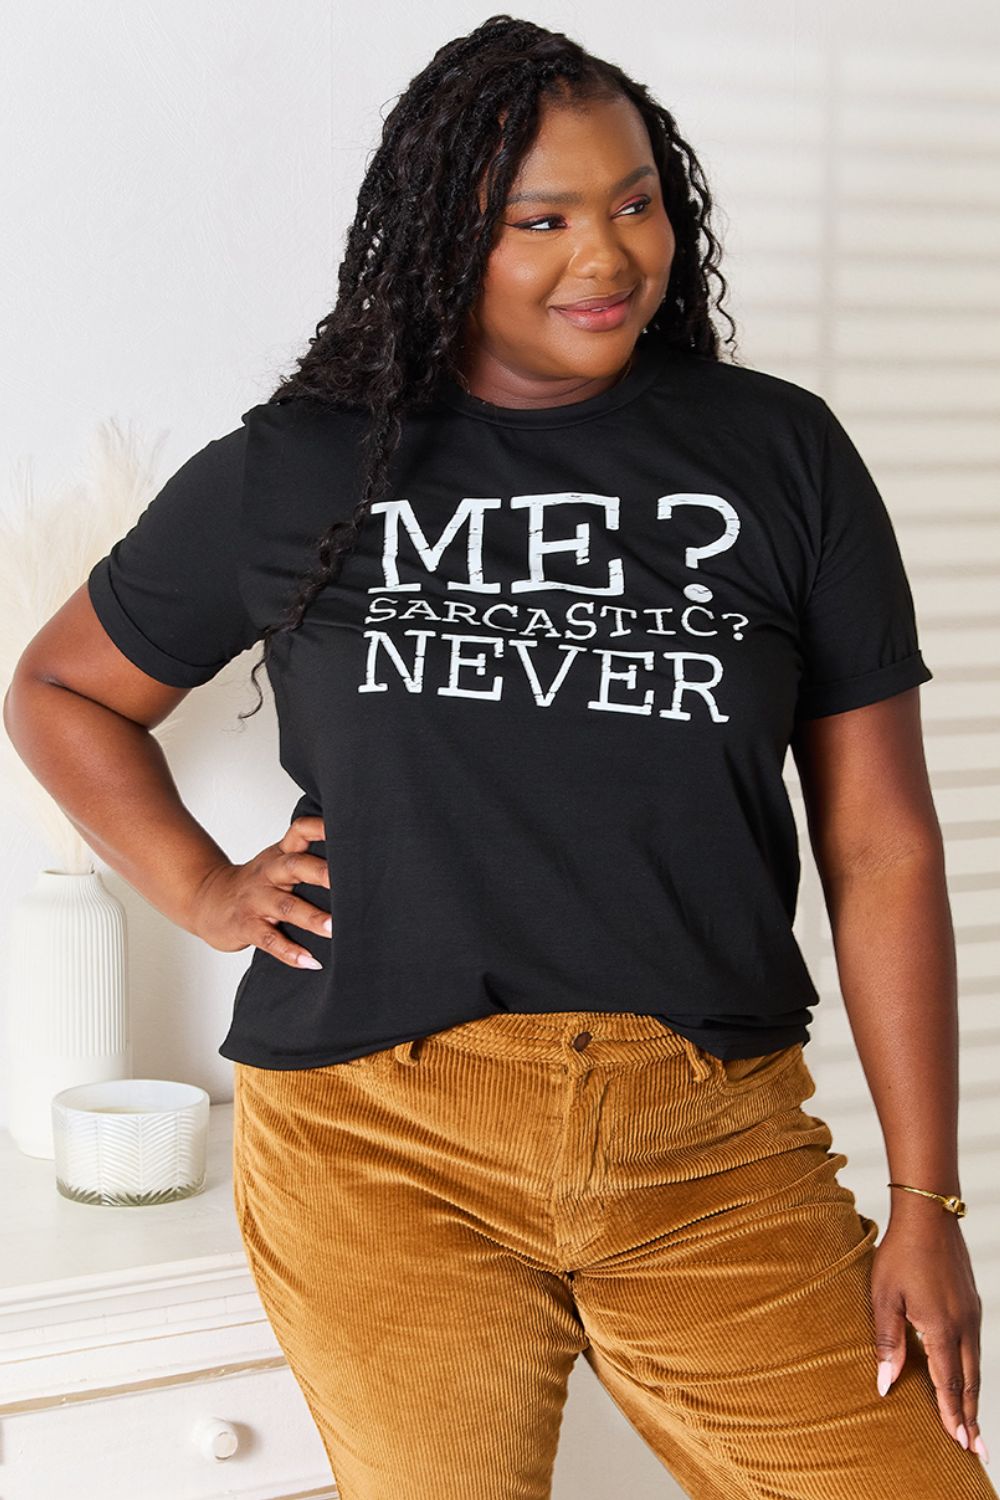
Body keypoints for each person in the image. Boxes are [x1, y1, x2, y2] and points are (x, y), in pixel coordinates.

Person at [5, 15, 994, 1500]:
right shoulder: (304, 464)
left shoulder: (781, 457)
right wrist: (206, 892)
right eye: (541, 219)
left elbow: (882, 845)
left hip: (709, 1143)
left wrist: (927, 1194)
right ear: (443, 237)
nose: (605, 256)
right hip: (376, 1134)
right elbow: (63, 689)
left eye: (636, 200)